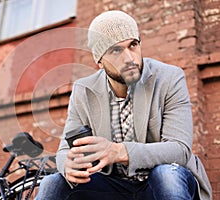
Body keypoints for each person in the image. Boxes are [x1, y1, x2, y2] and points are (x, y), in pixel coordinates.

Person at [36, 10, 212, 200]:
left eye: (133, 45)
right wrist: (67, 165)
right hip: (111, 187)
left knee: (166, 175)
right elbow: (64, 151)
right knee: (52, 182)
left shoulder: (169, 78)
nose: (129, 58)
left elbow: (179, 149)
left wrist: (119, 151)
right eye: (115, 50)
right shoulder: (83, 90)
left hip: (160, 182)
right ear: (100, 62)